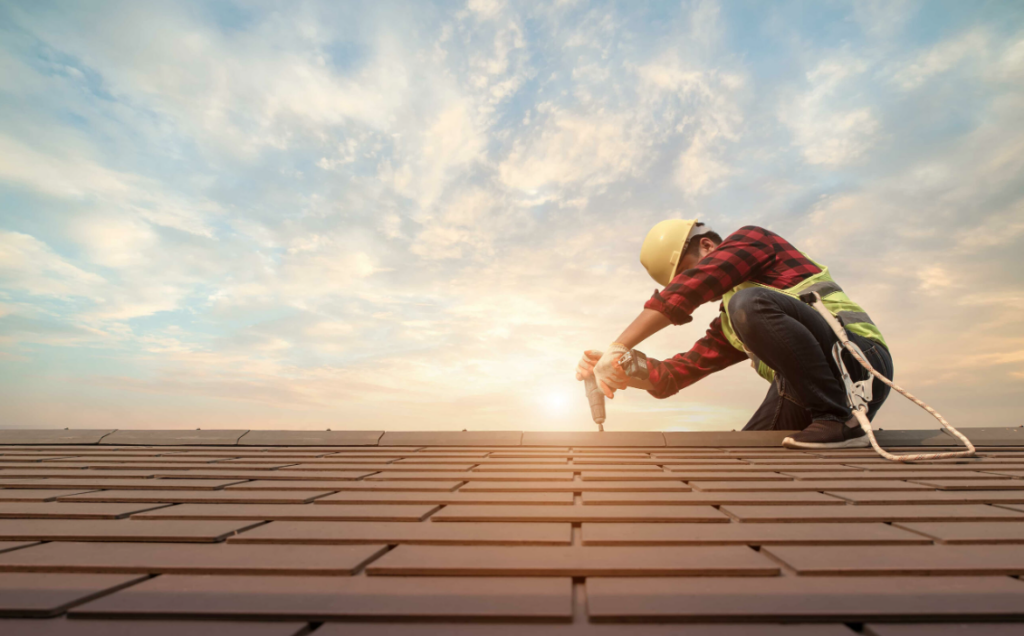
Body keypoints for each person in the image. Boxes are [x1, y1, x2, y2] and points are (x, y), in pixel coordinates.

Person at [575, 220, 894, 449]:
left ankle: (839, 421)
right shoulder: (734, 321)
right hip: (803, 392)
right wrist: (623, 366)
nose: (695, 282)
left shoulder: (753, 241)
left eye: (689, 272)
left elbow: (695, 286)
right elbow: (676, 374)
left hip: (859, 361)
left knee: (749, 303)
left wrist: (619, 344)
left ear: (708, 245)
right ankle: (832, 425)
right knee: (748, 454)